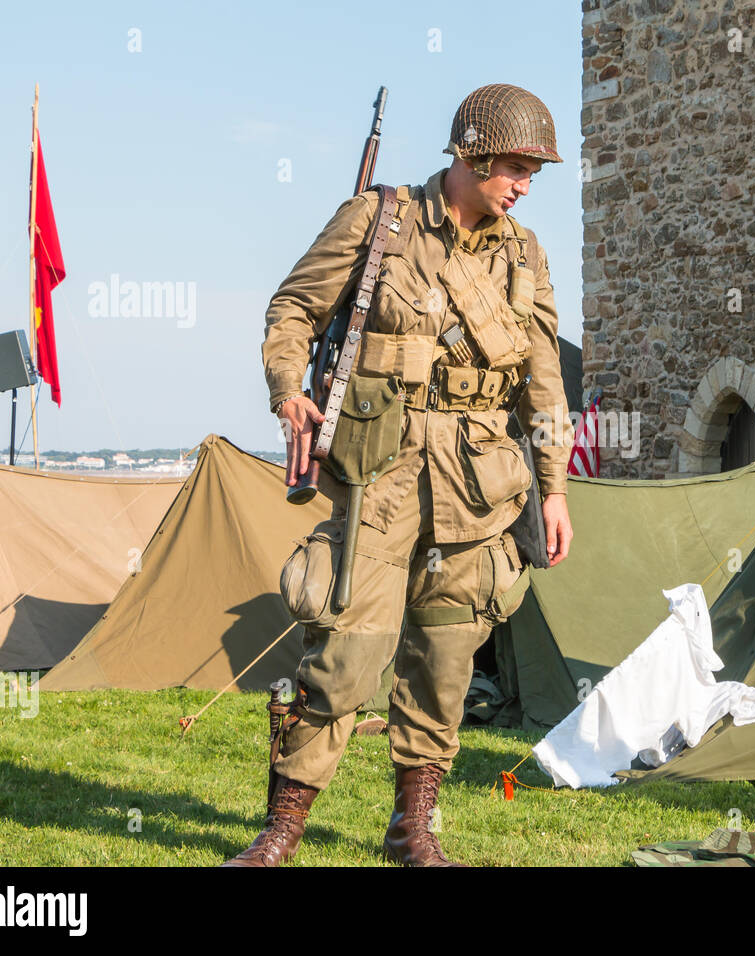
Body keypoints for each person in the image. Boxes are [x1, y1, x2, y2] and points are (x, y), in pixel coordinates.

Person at [226, 84, 574, 867]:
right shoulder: (378, 222)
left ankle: (412, 830)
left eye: (533, 172)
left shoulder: (526, 254)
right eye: (516, 166)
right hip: (381, 475)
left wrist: (554, 487)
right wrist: (290, 394)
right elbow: (293, 311)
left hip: (481, 488)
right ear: (472, 154)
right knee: (345, 657)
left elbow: (544, 378)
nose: (525, 184)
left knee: (447, 663)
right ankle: (282, 830)